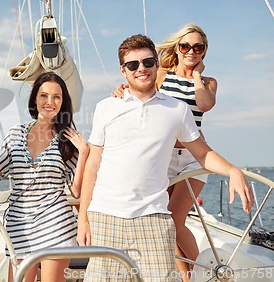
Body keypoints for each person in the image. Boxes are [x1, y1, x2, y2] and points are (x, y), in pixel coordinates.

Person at [77, 34, 253, 281]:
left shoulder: (177, 109)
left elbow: (202, 153)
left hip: (154, 219)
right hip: (106, 217)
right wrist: (83, 218)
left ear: (157, 65)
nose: (141, 69)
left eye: (148, 62)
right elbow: (93, 165)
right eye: (133, 65)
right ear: (123, 71)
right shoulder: (106, 107)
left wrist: (233, 171)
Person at [111, 24, 216, 280]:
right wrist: (120, 89)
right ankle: (186, 276)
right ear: (177, 48)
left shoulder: (208, 82)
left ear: (204, 52)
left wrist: (196, 77)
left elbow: (204, 104)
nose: (191, 51)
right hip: (163, 158)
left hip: (193, 158)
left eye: (198, 47)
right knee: (166, 223)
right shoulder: (161, 74)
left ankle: (206, 273)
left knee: (174, 220)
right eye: (186, 46)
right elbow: (138, 83)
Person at [0, 72, 89, 282]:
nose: (49, 102)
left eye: (56, 97)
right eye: (44, 95)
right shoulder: (15, 134)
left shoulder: (68, 138)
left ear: (63, 102)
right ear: (35, 98)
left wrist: (84, 153)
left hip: (56, 223)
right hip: (19, 225)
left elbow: (76, 191)